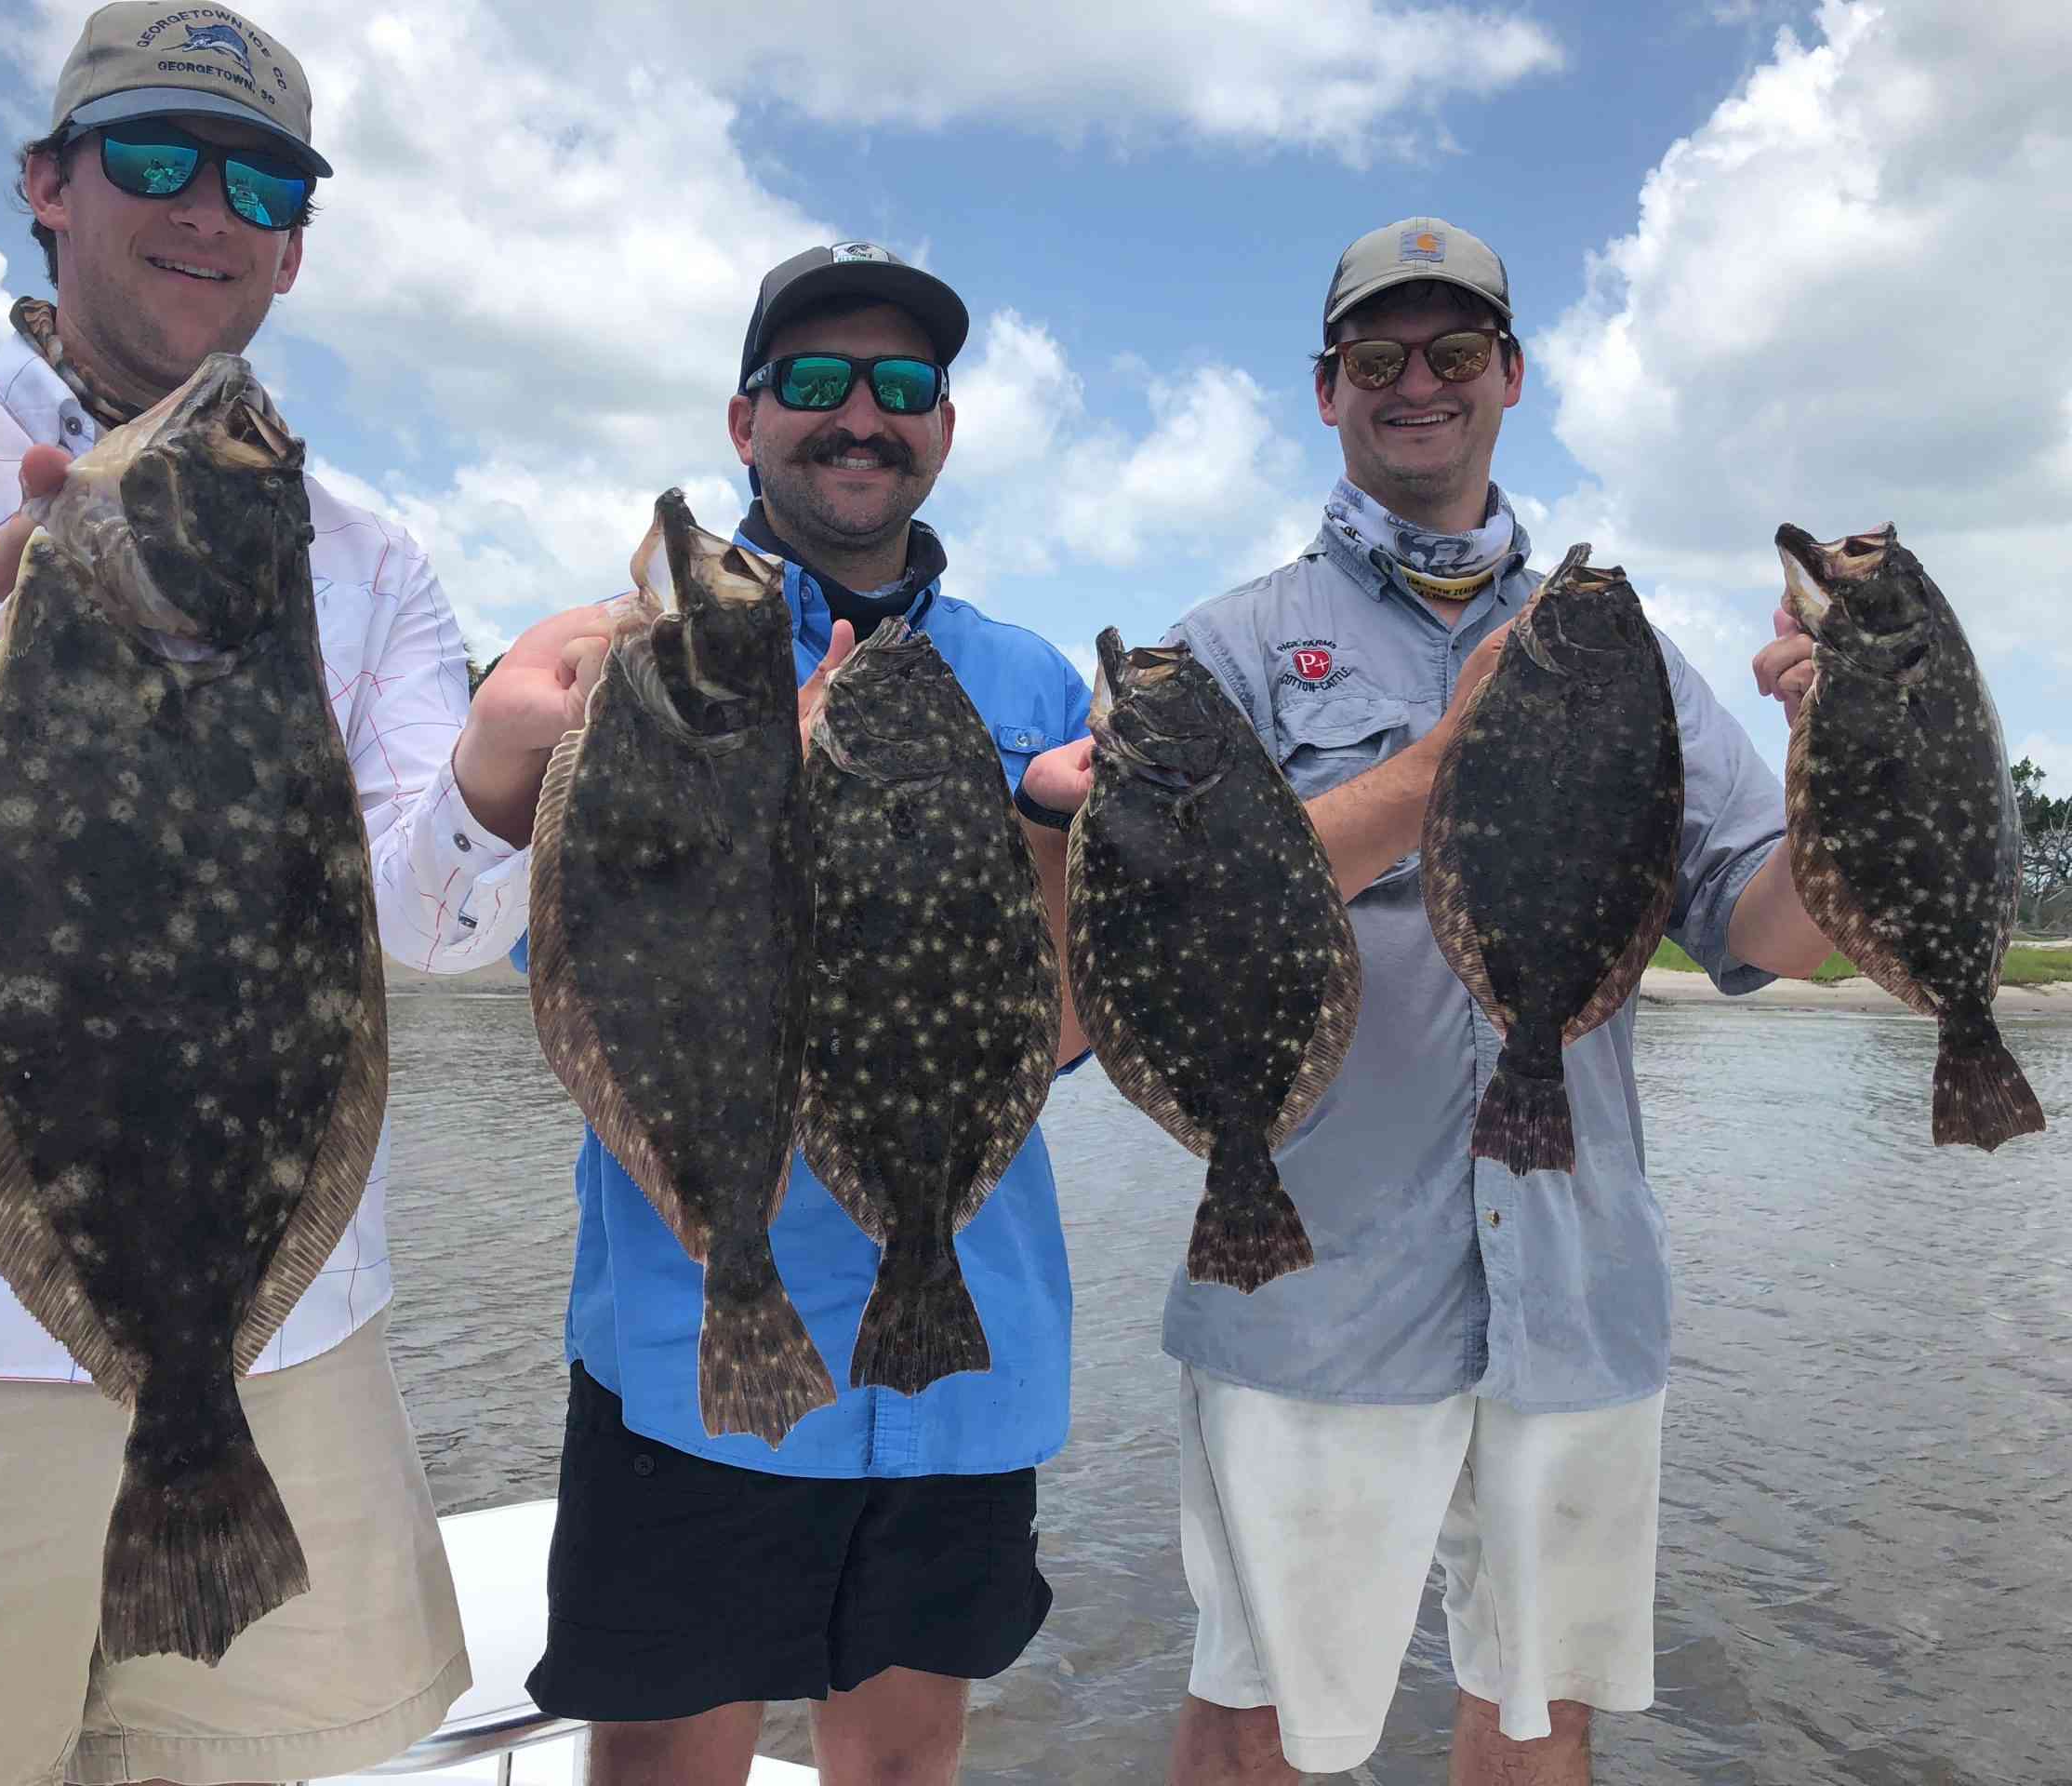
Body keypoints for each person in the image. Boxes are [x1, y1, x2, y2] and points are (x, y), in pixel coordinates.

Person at [0, 7, 608, 1781]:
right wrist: (37, 634)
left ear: (292, 240)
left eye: (256, 178)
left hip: (279, 1362)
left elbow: (427, 928)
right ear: (47, 185)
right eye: (157, 157)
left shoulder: (370, 551)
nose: (207, 206)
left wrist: (502, 763)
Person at [1018, 217, 1835, 1784]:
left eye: (1454, 352)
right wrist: (1440, 768)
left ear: (1510, 377)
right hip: (1305, 1287)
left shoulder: (1628, 654)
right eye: (1379, 357)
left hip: (1577, 1285)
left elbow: (1766, 929)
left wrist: (1837, 761)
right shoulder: (1225, 654)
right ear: (1326, 390)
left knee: (1539, 1717)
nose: (1418, 384)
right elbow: (1168, 923)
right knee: (1253, 1711)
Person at [502, 242, 1095, 1786]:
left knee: (902, 1763)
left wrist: (1038, 835)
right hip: (688, 1339)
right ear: (746, 417)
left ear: (943, 431)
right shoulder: (634, 665)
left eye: (902, 388)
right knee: (661, 1764)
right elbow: (585, 968)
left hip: (962, 1340)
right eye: (816, 383)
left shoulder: (1036, 684)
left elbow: (1077, 1027)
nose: (860, 416)